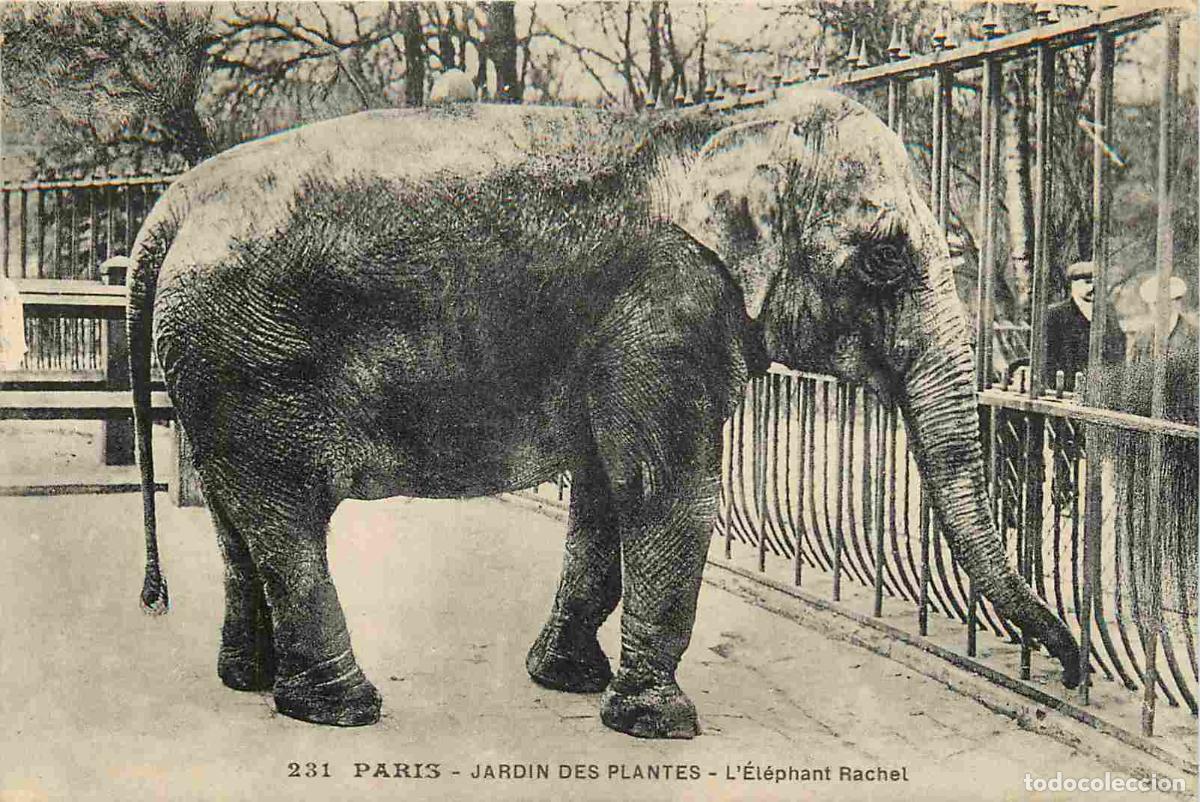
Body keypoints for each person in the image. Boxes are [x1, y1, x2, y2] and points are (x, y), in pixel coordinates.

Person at [1042, 260, 1125, 391]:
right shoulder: (1056, 315)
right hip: (1067, 392)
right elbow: (1048, 359)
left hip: (1102, 391)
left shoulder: (1108, 312)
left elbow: (1118, 350)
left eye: (1097, 283)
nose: (1093, 288)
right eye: (1087, 283)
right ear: (1073, 284)